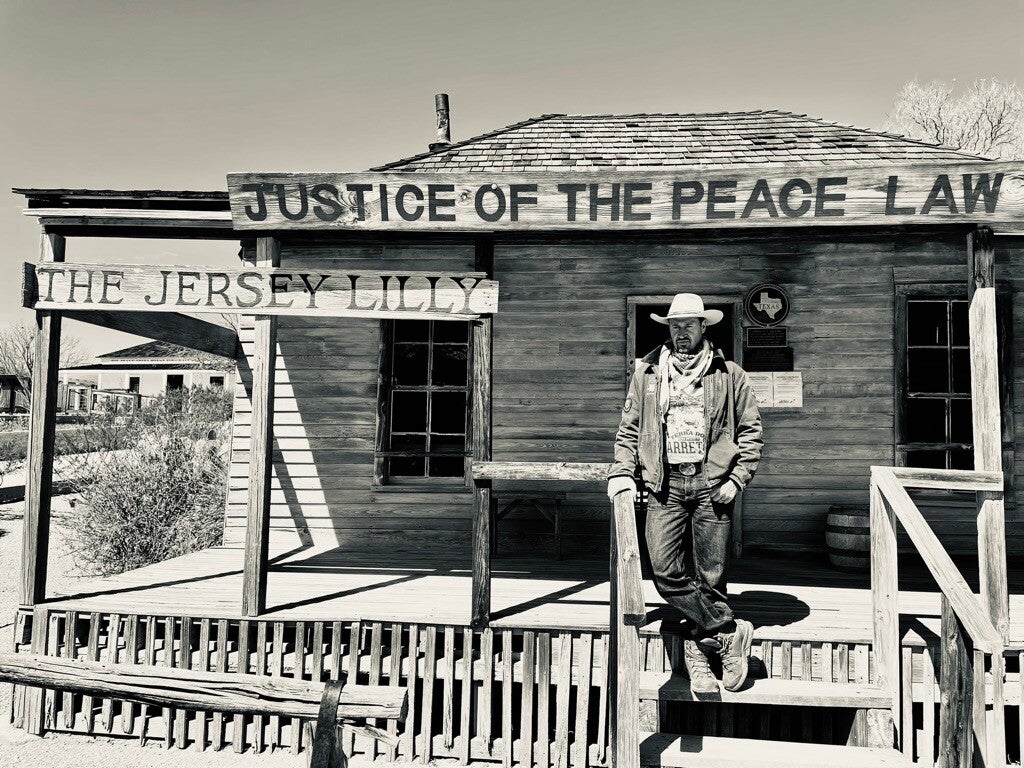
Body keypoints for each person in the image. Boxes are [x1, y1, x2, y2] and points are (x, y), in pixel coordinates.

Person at [607, 293, 763, 693]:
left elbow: (750, 433)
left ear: (703, 327)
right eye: (674, 326)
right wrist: (622, 473)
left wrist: (737, 479)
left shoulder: (729, 374)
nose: (680, 333)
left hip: (713, 484)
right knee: (663, 570)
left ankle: (702, 651)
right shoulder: (647, 373)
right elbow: (629, 430)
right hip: (665, 485)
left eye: (688, 325)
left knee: (712, 575)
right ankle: (728, 630)